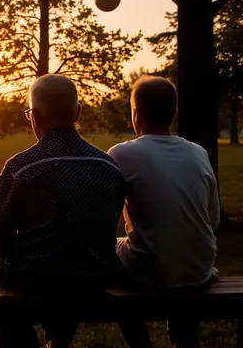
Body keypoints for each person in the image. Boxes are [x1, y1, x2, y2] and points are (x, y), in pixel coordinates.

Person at [0, 74, 126, 348]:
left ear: (35, 117)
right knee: (72, 255)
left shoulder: (21, 166)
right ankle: (59, 338)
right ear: (78, 112)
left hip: (34, 275)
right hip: (96, 275)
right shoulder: (108, 166)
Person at [108, 76, 220, 348]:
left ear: (136, 114)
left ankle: (140, 343)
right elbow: (213, 219)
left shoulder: (120, 154)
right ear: (175, 114)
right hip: (199, 268)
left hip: (149, 269)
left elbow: (102, 220)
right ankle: (184, 338)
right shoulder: (199, 153)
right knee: (176, 255)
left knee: (112, 259)